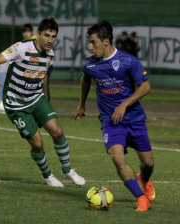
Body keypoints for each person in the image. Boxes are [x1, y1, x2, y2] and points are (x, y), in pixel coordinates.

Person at [0, 17, 85, 187]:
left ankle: (67, 170)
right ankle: (47, 175)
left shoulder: (50, 54)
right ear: (37, 34)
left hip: (35, 98)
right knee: (38, 143)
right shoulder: (21, 48)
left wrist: (45, 96)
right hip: (16, 104)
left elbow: (43, 75)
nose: (50, 40)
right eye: (46, 35)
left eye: (53, 36)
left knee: (58, 132)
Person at [75, 20, 155, 212]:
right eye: (89, 42)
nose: (90, 46)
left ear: (106, 41)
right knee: (117, 158)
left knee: (148, 163)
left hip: (134, 119)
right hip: (110, 121)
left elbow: (145, 86)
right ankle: (141, 199)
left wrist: (124, 104)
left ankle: (144, 179)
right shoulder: (89, 64)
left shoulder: (128, 61)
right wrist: (82, 104)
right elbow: (85, 80)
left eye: (93, 42)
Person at [22, 23, 53, 102]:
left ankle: (46, 103)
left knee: (43, 84)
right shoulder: (24, 42)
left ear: (32, 32)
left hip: (46, 65)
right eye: (24, 32)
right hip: (37, 65)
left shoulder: (34, 39)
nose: (26, 33)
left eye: (28, 31)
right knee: (37, 84)